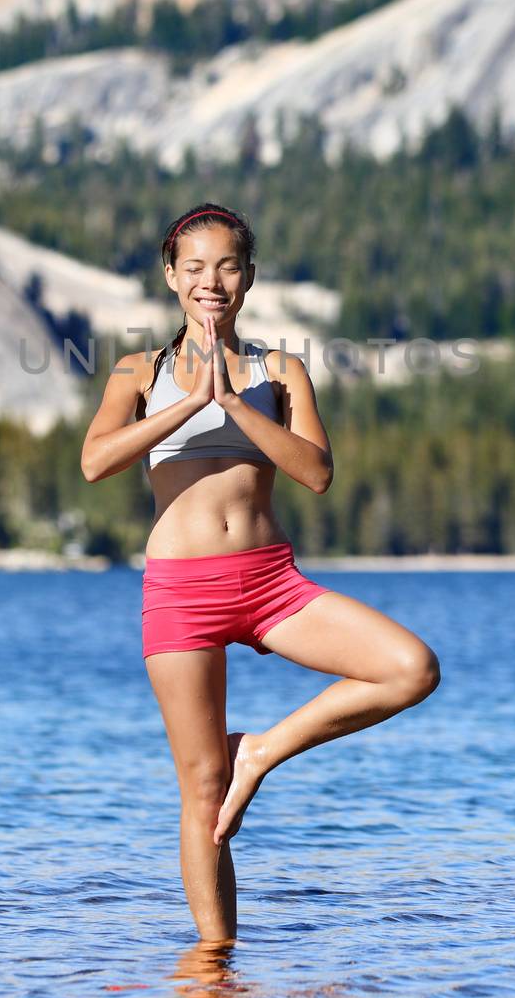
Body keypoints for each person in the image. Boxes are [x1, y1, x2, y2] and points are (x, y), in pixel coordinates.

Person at [81, 202, 440, 943]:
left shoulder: (279, 373)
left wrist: (235, 407)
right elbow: (95, 462)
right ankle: (216, 969)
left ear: (248, 277)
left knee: (411, 668)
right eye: (195, 267)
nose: (211, 281)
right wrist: (186, 408)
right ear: (171, 277)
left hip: (271, 584)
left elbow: (316, 474)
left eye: (228, 266)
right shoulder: (137, 371)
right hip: (180, 594)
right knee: (202, 787)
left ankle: (262, 750)